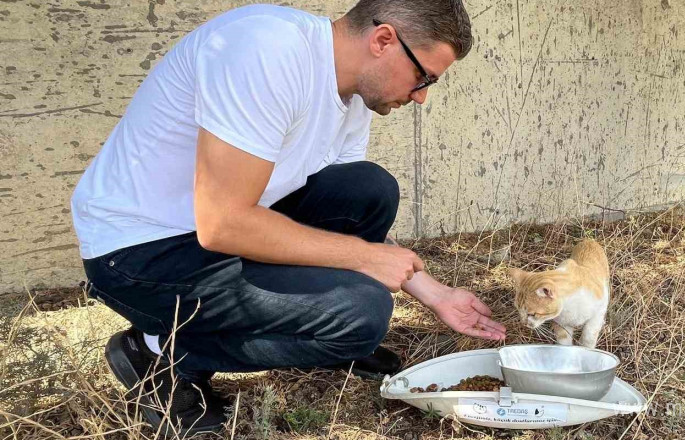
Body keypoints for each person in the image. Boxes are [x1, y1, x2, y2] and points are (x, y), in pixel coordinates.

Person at [70, 0, 507, 435]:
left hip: (214, 233)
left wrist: (436, 295)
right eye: (423, 76)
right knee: (363, 315)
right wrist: (361, 258)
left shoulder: (352, 94)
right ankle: (163, 353)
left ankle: (310, 324)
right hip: (139, 254)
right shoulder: (264, 49)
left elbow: (335, 223)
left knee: (368, 190)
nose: (422, 96)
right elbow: (222, 222)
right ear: (383, 40)